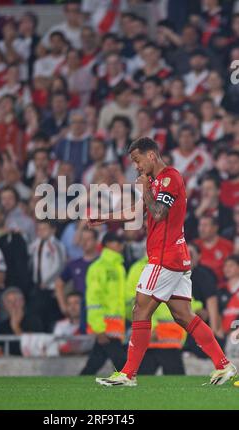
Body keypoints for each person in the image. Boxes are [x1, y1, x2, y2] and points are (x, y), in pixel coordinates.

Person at [89, 137, 236, 386]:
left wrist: (145, 187)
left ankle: (128, 373)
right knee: (183, 315)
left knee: (140, 309)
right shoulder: (158, 182)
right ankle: (224, 365)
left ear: (151, 156)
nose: (136, 167)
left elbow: (158, 212)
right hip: (176, 257)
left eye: (137, 161)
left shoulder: (169, 178)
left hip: (165, 257)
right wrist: (106, 217)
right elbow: (139, 212)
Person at [80, 232, 127, 375]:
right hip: (105, 325)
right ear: (106, 244)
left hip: (115, 325)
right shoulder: (98, 267)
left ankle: (78, 385)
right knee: (123, 364)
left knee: (96, 361)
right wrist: (98, 328)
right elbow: (94, 300)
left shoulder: (119, 267)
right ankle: (128, 386)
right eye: (116, 242)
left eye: (121, 242)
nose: (120, 245)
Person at [55, 227, 98, 333]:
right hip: (81, 311)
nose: (84, 242)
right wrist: (63, 305)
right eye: (82, 239)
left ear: (96, 242)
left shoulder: (102, 263)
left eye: (88, 239)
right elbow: (59, 283)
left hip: (98, 309)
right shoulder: (74, 264)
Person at [28, 220, 66, 333]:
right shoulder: (36, 243)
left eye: (44, 229)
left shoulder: (56, 245)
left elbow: (60, 266)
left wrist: (48, 280)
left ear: (53, 230)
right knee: (37, 317)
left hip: (50, 288)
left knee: (50, 317)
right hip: (37, 286)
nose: (41, 232)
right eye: (39, 229)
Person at [0, 205, 30, 297]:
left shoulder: (16, 236)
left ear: (5, 216)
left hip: (11, 282)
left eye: (0, 214)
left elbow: (21, 263)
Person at [0, 287, 43, 355]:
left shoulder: (34, 321)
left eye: (16, 301)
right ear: (5, 306)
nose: (13, 305)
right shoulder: (2, 326)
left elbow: (32, 347)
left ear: (22, 302)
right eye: (9, 302)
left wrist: (16, 327)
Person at [194, 215, 233, 287]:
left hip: (222, 287)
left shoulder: (228, 246)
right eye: (200, 225)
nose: (201, 229)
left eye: (205, 225)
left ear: (215, 228)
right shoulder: (194, 246)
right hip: (199, 286)